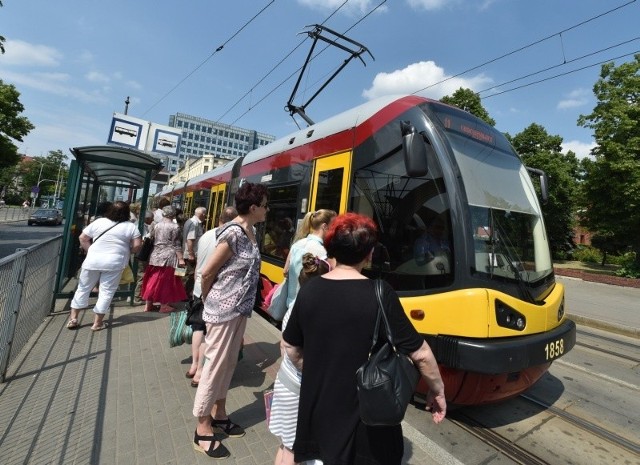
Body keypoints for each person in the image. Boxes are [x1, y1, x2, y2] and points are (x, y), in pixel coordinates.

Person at [282, 213, 447, 465]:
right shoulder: (381, 293)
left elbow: (291, 346)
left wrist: (317, 371)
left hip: (320, 412)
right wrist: (438, 391)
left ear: (332, 247)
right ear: (369, 254)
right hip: (368, 416)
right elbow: (421, 354)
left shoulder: (310, 290)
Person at [192, 182, 268, 459]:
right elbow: (207, 272)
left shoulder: (252, 231)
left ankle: (220, 414)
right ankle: (202, 425)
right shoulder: (234, 232)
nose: (267, 209)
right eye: (265, 205)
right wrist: (211, 299)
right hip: (223, 310)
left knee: (228, 362)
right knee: (214, 365)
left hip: (239, 309)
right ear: (254, 207)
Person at [270, 253, 331, 465]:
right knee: (293, 451)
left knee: (286, 445)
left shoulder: (295, 305)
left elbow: (283, 345)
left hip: (286, 383)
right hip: (299, 391)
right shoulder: (317, 311)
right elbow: (293, 350)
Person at [67, 201, 142, 331]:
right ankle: (97, 323)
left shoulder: (98, 222)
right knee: (106, 292)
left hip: (92, 261)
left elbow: (83, 238)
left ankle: (73, 319)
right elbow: (137, 245)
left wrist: (90, 251)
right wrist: (127, 251)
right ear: (126, 212)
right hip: (115, 262)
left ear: (110, 210)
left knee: (83, 288)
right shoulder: (131, 226)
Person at [186, 205, 238, 386]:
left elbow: (201, 263)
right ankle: (200, 372)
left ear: (219, 219)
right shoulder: (231, 238)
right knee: (210, 332)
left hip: (199, 287)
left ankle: (193, 365)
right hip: (214, 290)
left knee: (198, 328)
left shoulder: (206, 235)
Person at [283, 209, 337, 310]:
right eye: (333, 227)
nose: (335, 231)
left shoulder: (296, 244)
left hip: (291, 305)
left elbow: (285, 271)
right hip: (308, 308)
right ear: (324, 226)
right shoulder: (323, 252)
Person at [140, 205, 187, 313]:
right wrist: (181, 259)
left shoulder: (156, 225)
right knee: (166, 280)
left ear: (163, 214)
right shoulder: (175, 227)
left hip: (155, 255)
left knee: (153, 278)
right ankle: (164, 305)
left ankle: (148, 304)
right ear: (173, 214)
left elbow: (151, 237)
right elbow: (176, 244)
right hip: (168, 256)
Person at [182, 206, 206, 296]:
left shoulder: (190, 221)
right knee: (190, 275)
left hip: (187, 252)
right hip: (191, 253)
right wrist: (191, 254)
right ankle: (185, 294)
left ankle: (183, 293)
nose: (205, 216)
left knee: (185, 274)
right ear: (202, 214)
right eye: (205, 214)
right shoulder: (194, 223)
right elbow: (190, 239)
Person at [133, 210, 155, 304]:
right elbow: (143, 240)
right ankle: (137, 297)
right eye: (151, 218)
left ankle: (136, 295)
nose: (153, 220)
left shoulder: (141, 225)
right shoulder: (140, 226)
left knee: (140, 274)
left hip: (138, 253)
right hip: (140, 253)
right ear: (147, 219)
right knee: (141, 275)